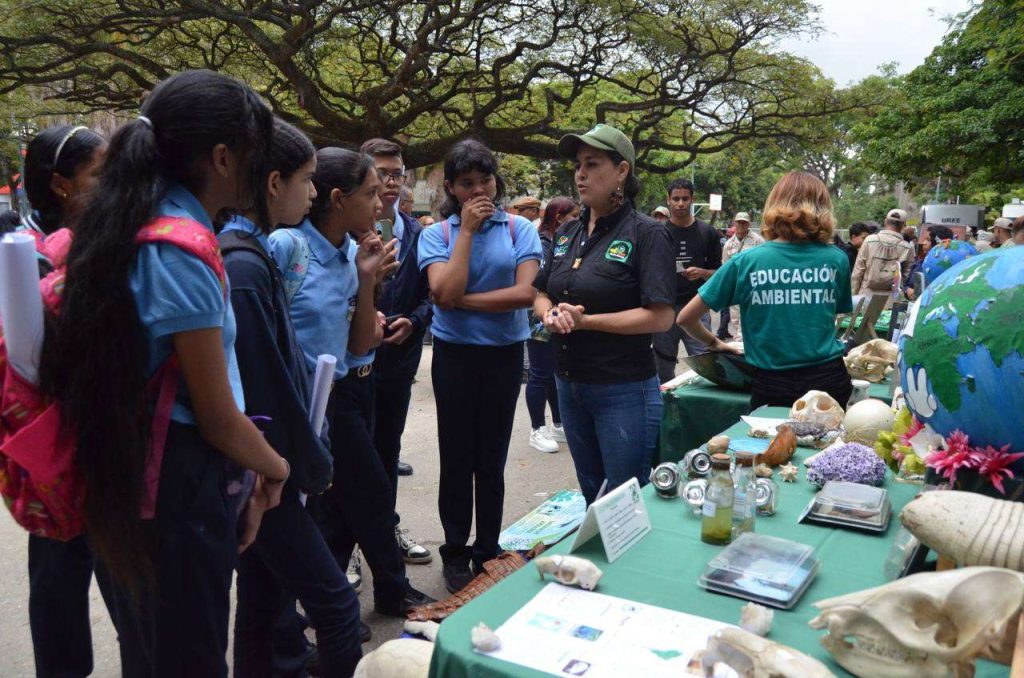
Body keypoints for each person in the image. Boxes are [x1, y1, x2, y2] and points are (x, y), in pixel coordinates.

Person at [41, 70, 291, 675]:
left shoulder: (131, 222)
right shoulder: (181, 250)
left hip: (130, 477)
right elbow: (216, 417)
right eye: (257, 152)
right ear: (225, 157)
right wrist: (277, 469)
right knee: (188, 658)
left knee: (152, 653)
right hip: (175, 493)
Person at [223, 119, 363, 677]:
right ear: (273, 181)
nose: (312, 192)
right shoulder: (245, 265)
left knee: (261, 599)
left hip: (267, 465)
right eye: (306, 180)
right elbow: (266, 385)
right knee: (336, 604)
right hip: (265, 468)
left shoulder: (251, 253)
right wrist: (302, 463)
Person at [269, 147, 434, 619]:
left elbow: (362, 344)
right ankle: (356, 597)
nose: (381, 203)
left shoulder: (350, 252)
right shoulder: (287, 247)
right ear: (338, 198)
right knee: (364, 496)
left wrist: (365, 284)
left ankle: (337, 602)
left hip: (348, 390)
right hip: (305, 404)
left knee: (346, 505)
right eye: (370, 193)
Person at [418, 139, 542, 592]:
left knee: (491, 459)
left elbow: (525, 294)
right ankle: (454, 551)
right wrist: (467, 233)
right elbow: (439, 288)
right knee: (456, 457)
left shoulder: (518, 230)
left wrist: (458, 300)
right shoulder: (439, 234)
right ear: (451, 188)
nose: (478, 191)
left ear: (497, 180)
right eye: (466, 184)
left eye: (485, 180)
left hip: (505, 355)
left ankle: (486, 550)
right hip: (454, 356)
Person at [533, 124, 675, 505]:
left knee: (624, 500)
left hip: (623, 390)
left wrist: (587, 322)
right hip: (569, 385)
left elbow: (661, 318)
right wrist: (548, 315)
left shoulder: (648, 233)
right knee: (592, 496)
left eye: (592, 164)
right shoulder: (566, 232)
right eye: (578, 165)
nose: (580, 174)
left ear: (622, 171)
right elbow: (540, 291)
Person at [20, 124, 111, 678]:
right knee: (58, 590)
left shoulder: (109, 240)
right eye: (100, 175)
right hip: (54, 452)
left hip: (111, 449)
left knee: (133, 600)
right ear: (60, 185)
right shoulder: (24, 260)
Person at [677, 171, 854, 408]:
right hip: (828, 381)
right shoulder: (837, 259)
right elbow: (831, 315)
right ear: (823, 209)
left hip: (771, 382)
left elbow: (686, 318)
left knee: (772, 443)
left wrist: (715, 343)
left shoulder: (746, 261)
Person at [360, 138, 433, 567]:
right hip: (352, 365)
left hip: (398, 361)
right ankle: (349, 543)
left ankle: (386, 529)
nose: (391, 182)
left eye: (397, 173)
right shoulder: (345, 229)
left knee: (387, 449)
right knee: (349, 455)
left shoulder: (417, 232)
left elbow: (431, 295)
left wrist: (415, 320)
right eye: (382, 173)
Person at [651, 177, 721, 383]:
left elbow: (719, 273)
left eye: (685, 199)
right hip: (664, 308)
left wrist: (701, 272)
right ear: (668, 200)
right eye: (676, 199)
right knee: (662, 367)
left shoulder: (708, 232)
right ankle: (665, 410)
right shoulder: (658, 233)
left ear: (692, 200)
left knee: (706, 365)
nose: (680, 203)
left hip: (697, 307)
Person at [526, 195, 578, 453]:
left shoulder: (568, 239)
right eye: (574, 216)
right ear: (559, 217)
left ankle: (557, 423)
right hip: (538, 317)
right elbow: (538, 283)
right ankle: (537, 429)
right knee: (539, 372)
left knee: (554, 373)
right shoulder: (541, 240)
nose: (578, 221)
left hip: (559, 314)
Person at [719, 211, 764, 340]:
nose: (741, 225)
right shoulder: (729, 244)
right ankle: (740, 342)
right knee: (736, 317)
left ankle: (751, 339)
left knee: (753, 314)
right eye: (739, 222)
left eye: (744, 222)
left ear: (748, 224)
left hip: (753, 285)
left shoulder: (758, 241)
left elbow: (763, 263)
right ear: (735, 223)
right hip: (736, 286)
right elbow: (725, 267)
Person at [851, 208, 915, 297]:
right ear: (903, 226)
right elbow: (904, 276)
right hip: (892, 299)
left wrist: (853, 296)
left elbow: (857, 273)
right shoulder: (907, 248)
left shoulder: (870, 240)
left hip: (866, 296)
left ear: (885, 221)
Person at [905, 224, 954, 300]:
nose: (924, 243)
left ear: (938, 243)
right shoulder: (918, 263)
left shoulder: (948, 268)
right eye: (924, 239)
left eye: (928, 240)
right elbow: (907, 284)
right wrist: (907, 290)